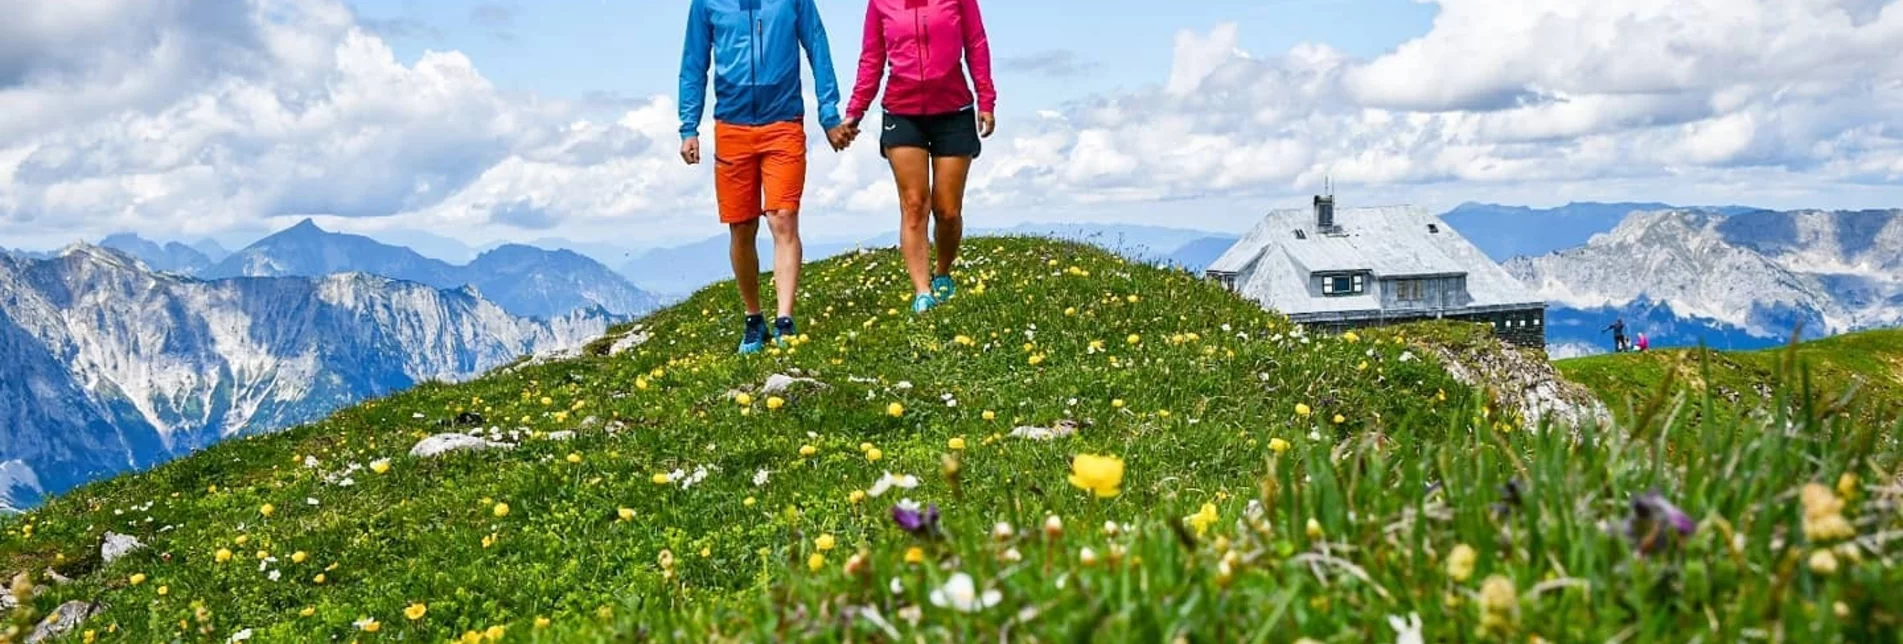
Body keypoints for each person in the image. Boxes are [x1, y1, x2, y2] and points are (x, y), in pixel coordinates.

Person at [679, 0, 858, 354]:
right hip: (731, 125)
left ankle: (785, 320)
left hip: (784, 123)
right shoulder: (706, 4)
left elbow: (817, 47)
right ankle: (753, 318)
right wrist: (689, 126)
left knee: (784, 217)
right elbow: (694, 63)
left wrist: (828, 113)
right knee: (741, 226)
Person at [843, 0, 997, 314]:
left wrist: (986, 99)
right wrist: (855, 111)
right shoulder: (880, 4)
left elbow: (976, 44)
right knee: (914, 205)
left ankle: (942, 272)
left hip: (954, 109)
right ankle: (922, 292)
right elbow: (872, 58)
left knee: (948, 211)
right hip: (902, 110)